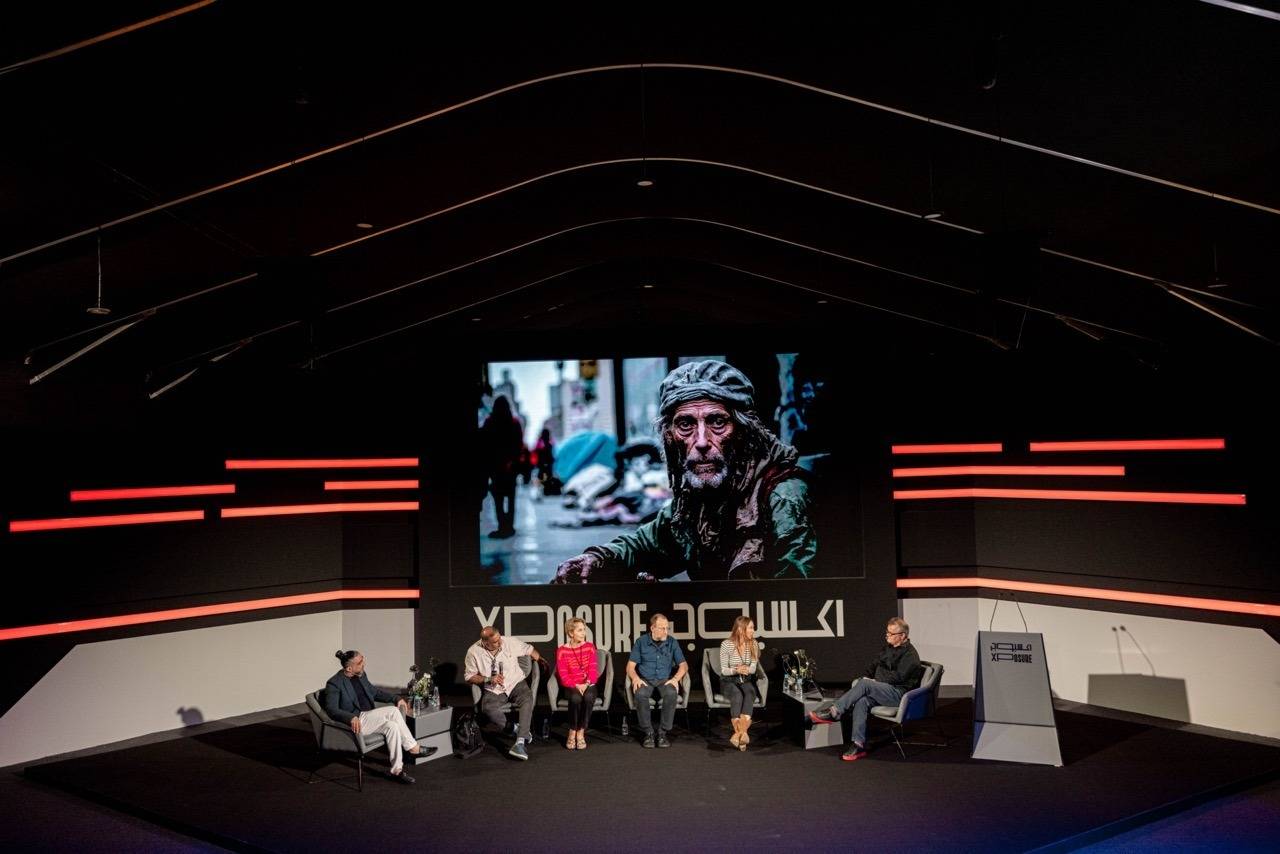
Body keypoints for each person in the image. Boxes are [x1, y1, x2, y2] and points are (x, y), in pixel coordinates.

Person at [553, 360, 816, 583]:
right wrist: (596, 558)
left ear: (744, 433)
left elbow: (796, 606)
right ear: (670, 438)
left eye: (717, 422)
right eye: (686, 424)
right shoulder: (696, 502)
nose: (701, 441)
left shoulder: (782, 497)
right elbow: (645, 545)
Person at [809, 617, 922, 761]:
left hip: (899, 694)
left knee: (864, 684)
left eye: (891, 633)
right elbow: (875, 665)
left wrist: (874, 680)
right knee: (862, 700)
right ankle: (858, 744)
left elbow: (898, 677)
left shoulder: (910, 655)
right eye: (887, 632)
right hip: (884, 689)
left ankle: (835, 711)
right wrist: (868, 676)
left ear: (902, 636)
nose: (887, 636)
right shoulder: (888, 648)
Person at [323, 650, 425, 784]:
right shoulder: (334, 683)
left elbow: (375, 692)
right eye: (360, 662)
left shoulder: (360, 675)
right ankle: (413, 748)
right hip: (356, 722)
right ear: (349, 668)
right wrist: (350, 717)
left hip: (369, 719)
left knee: (392, 726)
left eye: (363, 659)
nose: (364, 663)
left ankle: (397, 770)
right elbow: (331, 709)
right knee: (393, 712)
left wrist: (395, 698)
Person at [463, 625, 544, 760]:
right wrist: (488, 679)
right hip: (494, 688)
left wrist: (540, 660)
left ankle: (520, 743)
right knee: (488, 708)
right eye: (495, 642)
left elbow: (530, 650)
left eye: (499, 638)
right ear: (485, 643)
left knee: (527, 699)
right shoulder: (473, 652)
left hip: (515, 682)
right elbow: (469, 676)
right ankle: (515, 729)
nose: (500, 642)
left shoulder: (509, 642)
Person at [626, 613, 688, 747]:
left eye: (667, 628)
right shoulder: (641, 642)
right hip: (646, 679)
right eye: (662, 628)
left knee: (671, 693)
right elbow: (630, 666)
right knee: (640, 694)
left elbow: (683, 666)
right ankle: (648, 732)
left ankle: (662, 733)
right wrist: (635, 678)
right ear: (652, 628)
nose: (666, 631)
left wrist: (675, 679)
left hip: (664, 680)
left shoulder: (672, 642)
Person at [481, 395, 524, 538]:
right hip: (510, 468)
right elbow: (519, 445)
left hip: (495, 467)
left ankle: (502, 526)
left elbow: (485, 445)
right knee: (511, 499)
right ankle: (509, 526)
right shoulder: (514, 423)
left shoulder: (489, 422)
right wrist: (512, 461)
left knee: (498, 500)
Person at [718, 615, 761, 751]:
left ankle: (739, 735)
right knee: (737, 695)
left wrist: (746, 669)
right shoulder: (726, 644)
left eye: (753, 628)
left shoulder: (754, 644)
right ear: (741, 629)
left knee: (750, 692)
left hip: (746, 679)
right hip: (728, 680)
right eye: (751, 628)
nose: (753, 630)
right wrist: (736, 670)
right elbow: (724, 670)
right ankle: (742, 735)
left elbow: (753, 667)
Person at [556, 617, 599, 750]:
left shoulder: (590, 647)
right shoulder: (562, 650)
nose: (583, 633)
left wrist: (586, 683)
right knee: (575, 698)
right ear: (571, 633)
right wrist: (576, 685)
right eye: (580, 630)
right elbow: (563, 674)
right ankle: (572, 730)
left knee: (589, 697)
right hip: (571, 685)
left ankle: (581, 731)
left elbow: (593, 670)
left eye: (584, 630)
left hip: (588, 684)